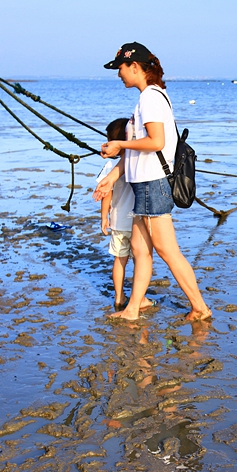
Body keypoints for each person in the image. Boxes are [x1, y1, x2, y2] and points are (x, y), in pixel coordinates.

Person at [94, 42, 212, 323]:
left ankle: (199, 307)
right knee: (140, 249)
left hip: (153, 184)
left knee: (167, 250)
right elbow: (140, 149)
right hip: (142, 185)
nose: (118, 74)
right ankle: (133, 308)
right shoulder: (149, 97)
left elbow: (155, 142)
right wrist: (112, 176)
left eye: (120, 68)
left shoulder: (150, 98)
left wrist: (120, 142)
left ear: (135, 67)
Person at [97, 118, 138, 311]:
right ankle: (139, 297)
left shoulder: (109, 168)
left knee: (119, 260)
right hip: (138, 221)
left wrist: (103, 217)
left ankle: (119, 296)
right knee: (141, 260)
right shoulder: (138, 164)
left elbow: (106, 194)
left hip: (119, 221)